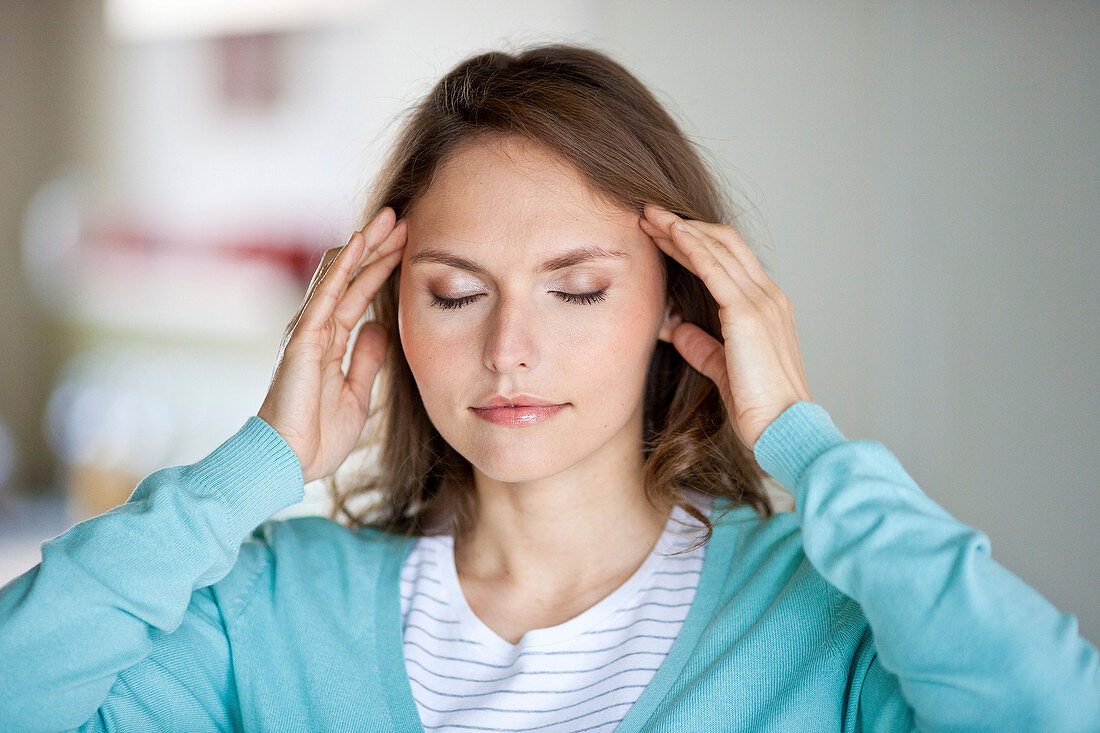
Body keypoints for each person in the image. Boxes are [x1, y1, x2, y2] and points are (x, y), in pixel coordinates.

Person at [0, 43, 1097, 733]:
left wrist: (800, 442)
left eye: (574, 290)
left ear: (683, 311)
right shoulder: (270, 614)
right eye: (453, 293)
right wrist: (260, 463)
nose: (508, 348)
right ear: (385, 314)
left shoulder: (827, 617)